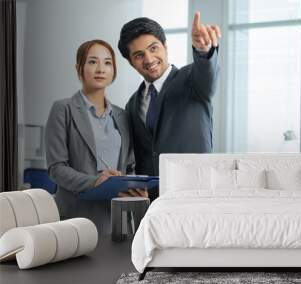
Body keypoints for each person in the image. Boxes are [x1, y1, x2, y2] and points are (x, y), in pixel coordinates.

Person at [45, 39, 146, 233]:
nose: (101, 68)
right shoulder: (62, 109)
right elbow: (56, 168)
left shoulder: (123, 116)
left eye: (107, 63)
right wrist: (95, 181)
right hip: (75, 217)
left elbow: (130, 166)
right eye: (92, 62)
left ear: (113, 70)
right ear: (79, 68)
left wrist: (133, 188)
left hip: (116, 219)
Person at [118, 12, 221, 200]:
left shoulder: (192, 80)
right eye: (139, 55)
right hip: (153, 202)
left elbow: (207, 75)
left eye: (153, 48)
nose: (149, 59)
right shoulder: (132, 104)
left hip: (195, 193)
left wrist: (204, 51)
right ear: (130, 62)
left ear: (165, 46)